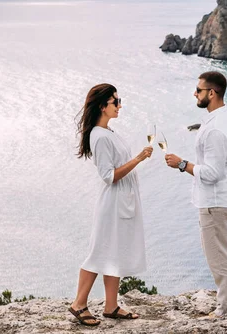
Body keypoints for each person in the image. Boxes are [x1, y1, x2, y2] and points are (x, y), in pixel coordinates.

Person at [164, 71, 227, 318]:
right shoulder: (225, 118)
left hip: (215, 200)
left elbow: (212, 173)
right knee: (222, 252)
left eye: (199, 90)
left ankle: (225, 310)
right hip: (223, 197)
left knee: (217, 257)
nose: (195, 93)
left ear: (211, 93)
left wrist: (182, 164)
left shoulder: (216, 128)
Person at [69, 83, 153, 326]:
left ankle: (111, 305)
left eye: (118, 100)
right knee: (99, 252)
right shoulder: (99, 136)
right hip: (113, 203)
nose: (119, 105)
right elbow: (108, 175)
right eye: (115, 101)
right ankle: (79, 304)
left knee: (114, 253)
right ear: (102, 106)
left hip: (122, 200)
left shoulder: (109, 132)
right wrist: (138, 158)